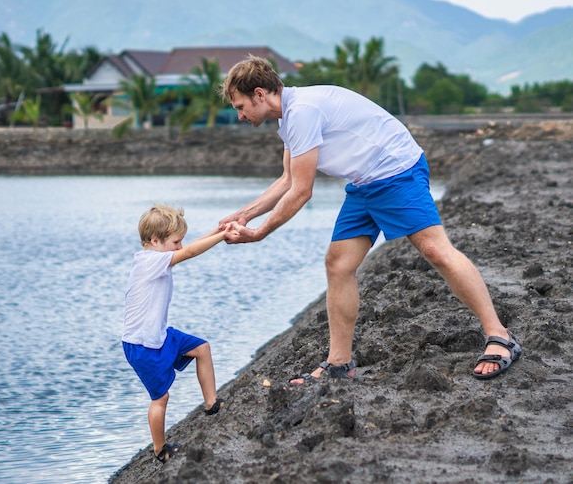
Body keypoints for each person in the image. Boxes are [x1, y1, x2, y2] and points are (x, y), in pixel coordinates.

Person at [218, 55, 521, 382]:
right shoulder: (290, 117)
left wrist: (260, 232)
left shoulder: (302, 112)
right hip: (366, 181)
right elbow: (286, 180)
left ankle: (500, 336)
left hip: (396, 170)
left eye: (240, 106)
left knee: (435, 251)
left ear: (260, 94)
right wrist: (244, 214)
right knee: (338, 264)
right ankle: (339, 363)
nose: (239, 116)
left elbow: (302, 191)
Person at [122, 204, 233, 464]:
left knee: (201, 348)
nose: (180, 247)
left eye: (180, 241)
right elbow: (192, 252)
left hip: (159, 335)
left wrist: (218, 229)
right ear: (154, 241)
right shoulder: (150, 261)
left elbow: (190, 246)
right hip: (142, 345)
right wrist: (223, 236)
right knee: (161, 397)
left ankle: (211, 403)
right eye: (176, 242)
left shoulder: (158, 255)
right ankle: (160, 450)